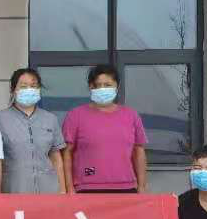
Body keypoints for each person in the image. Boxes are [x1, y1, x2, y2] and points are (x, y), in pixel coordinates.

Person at [62, 64, 148, 194]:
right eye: (98, 85)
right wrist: (69, 187)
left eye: (108, 85)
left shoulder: (131, 115)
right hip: (86, 188)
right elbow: (67, 153)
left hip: (126, 188)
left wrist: (142, 186)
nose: (103, 89)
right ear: (91, 87)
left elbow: (139, 152)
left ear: (117, 86)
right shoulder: (75, 115)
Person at [0, 67, 68, 194]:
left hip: (49, 190)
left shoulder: (50, 119)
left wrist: (63, 191)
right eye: (23, 86)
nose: (29, 89)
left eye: (33, 86)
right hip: (15, 190)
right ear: (13, 89)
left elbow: (55, 157)